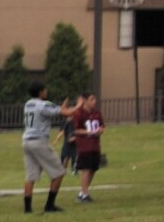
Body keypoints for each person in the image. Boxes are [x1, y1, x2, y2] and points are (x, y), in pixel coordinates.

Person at [19, 83, 67, 214]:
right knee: (59, 172)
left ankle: (27, 209)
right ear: (41, 92)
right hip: (39, 141)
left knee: (30, 176)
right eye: (44, 90)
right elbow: (64, 112)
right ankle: (49, 205)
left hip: (26, 141)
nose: (46, 91)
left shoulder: (28, 104)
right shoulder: (43, 104)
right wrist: (79, 106)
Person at [69, 93, 105, 202]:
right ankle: (84, 194)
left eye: (94, 99)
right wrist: (89, 132)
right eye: (91, 99)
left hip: (95, 146)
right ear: (85, 100)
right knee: (86, 169)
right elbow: (76, 130)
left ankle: (82, 192)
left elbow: (102, 125)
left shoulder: (97, 113)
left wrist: (100, 130)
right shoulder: (79, 114)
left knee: (93, 168)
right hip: (85, 146)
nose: (94, 101)